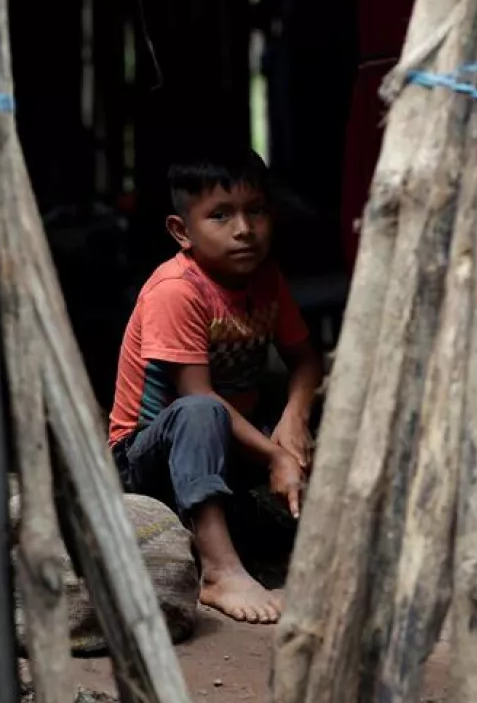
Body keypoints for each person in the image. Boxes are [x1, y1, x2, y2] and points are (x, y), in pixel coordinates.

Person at [108, 146, 323, 625]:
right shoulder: (177, 290)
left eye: (256, 211)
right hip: (146, 458)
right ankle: (220, 571)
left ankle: (326, 553)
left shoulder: (266, 279)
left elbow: (306, 360)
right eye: (220, 215)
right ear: (181, 231)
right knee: (201, 412)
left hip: (224, 448)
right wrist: (275, 455)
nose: (244, 229)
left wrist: (294, 420)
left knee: (332, 417)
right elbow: (198, 397)